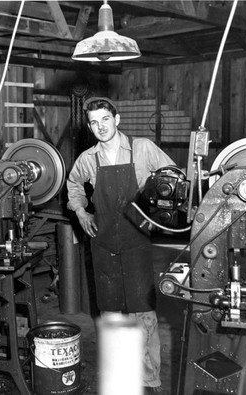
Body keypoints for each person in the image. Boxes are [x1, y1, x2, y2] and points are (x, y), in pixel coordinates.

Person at [66, 96, 175, 394]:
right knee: (111, 312)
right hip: (101, 243)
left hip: (136, 240)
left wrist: (158, 212)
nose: (100, 127)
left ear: (117, 119)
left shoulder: (142, 148)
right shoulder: (88, 158)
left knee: (142, 311)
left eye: (105, 119)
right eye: (94, 122)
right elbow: (73, 184)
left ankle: (149, 379)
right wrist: (81, 211)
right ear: (89, 127)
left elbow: (174, 179)